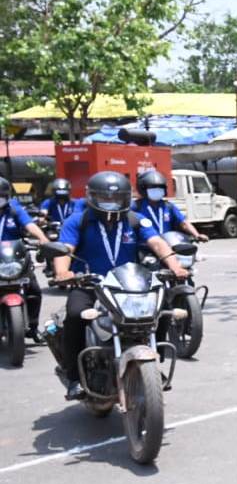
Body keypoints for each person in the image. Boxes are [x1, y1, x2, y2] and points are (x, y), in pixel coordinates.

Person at [53, 171, 187, 399]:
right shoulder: (79, 221)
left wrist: (175, 266)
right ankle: (74, 377)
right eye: (105, 198)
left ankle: (155, 365)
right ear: (92, 197)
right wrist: (63, 272)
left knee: (161, 307)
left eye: (116, 199)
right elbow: (66, 249)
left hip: (129, 284)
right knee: (75, 315)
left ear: (126, 199)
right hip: (90, 283)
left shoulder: (134, 220)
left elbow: (157, 242)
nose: (111, 204)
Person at [0, 177, 49, 344]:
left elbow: (30, 225)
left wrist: (44, 240)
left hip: (14, 258)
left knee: (34, 290)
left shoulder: (14, 209)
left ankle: (33, 328)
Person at [132, 170, 209, 242]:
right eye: (153, 188)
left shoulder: (168, 206)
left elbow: (184, 223)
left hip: (167, 243)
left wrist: (197, 235)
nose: (157, 190)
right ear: (143, 190)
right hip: (145, 246)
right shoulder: (136, 206)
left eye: (160, 188)